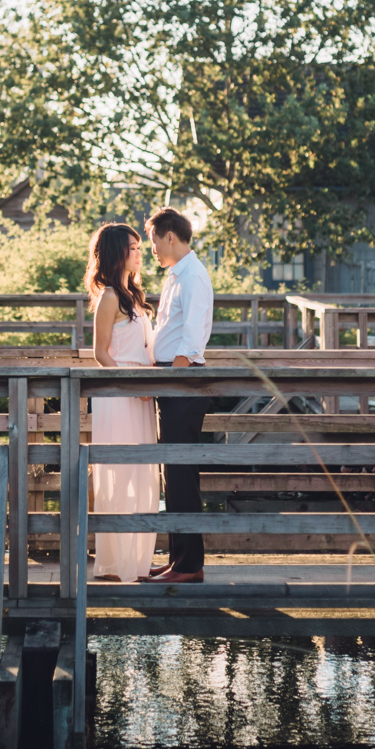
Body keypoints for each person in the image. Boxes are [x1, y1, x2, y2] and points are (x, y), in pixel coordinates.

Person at [143, 207, 214, 583]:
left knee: (182, 472)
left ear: (170, 236)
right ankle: (178, 559)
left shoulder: (194, 276)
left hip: (182, 380)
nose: (152, 248)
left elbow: (190, 339)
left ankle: (190, 565)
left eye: (154, 240)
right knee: (173, 472)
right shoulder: (176, 275)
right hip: (171, 378)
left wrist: (171, 379)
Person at [85, 222, 159, 582]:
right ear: (117, 252)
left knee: (145, 476)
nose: (139, 252)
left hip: (143, 393)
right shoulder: (109, 297)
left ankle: (139, 561)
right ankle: (116, 563)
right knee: (118, 474)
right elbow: (100, 353)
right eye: (133, 247)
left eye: (140, 247)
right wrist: (131, 386)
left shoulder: (135, 295)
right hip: (118, 394)